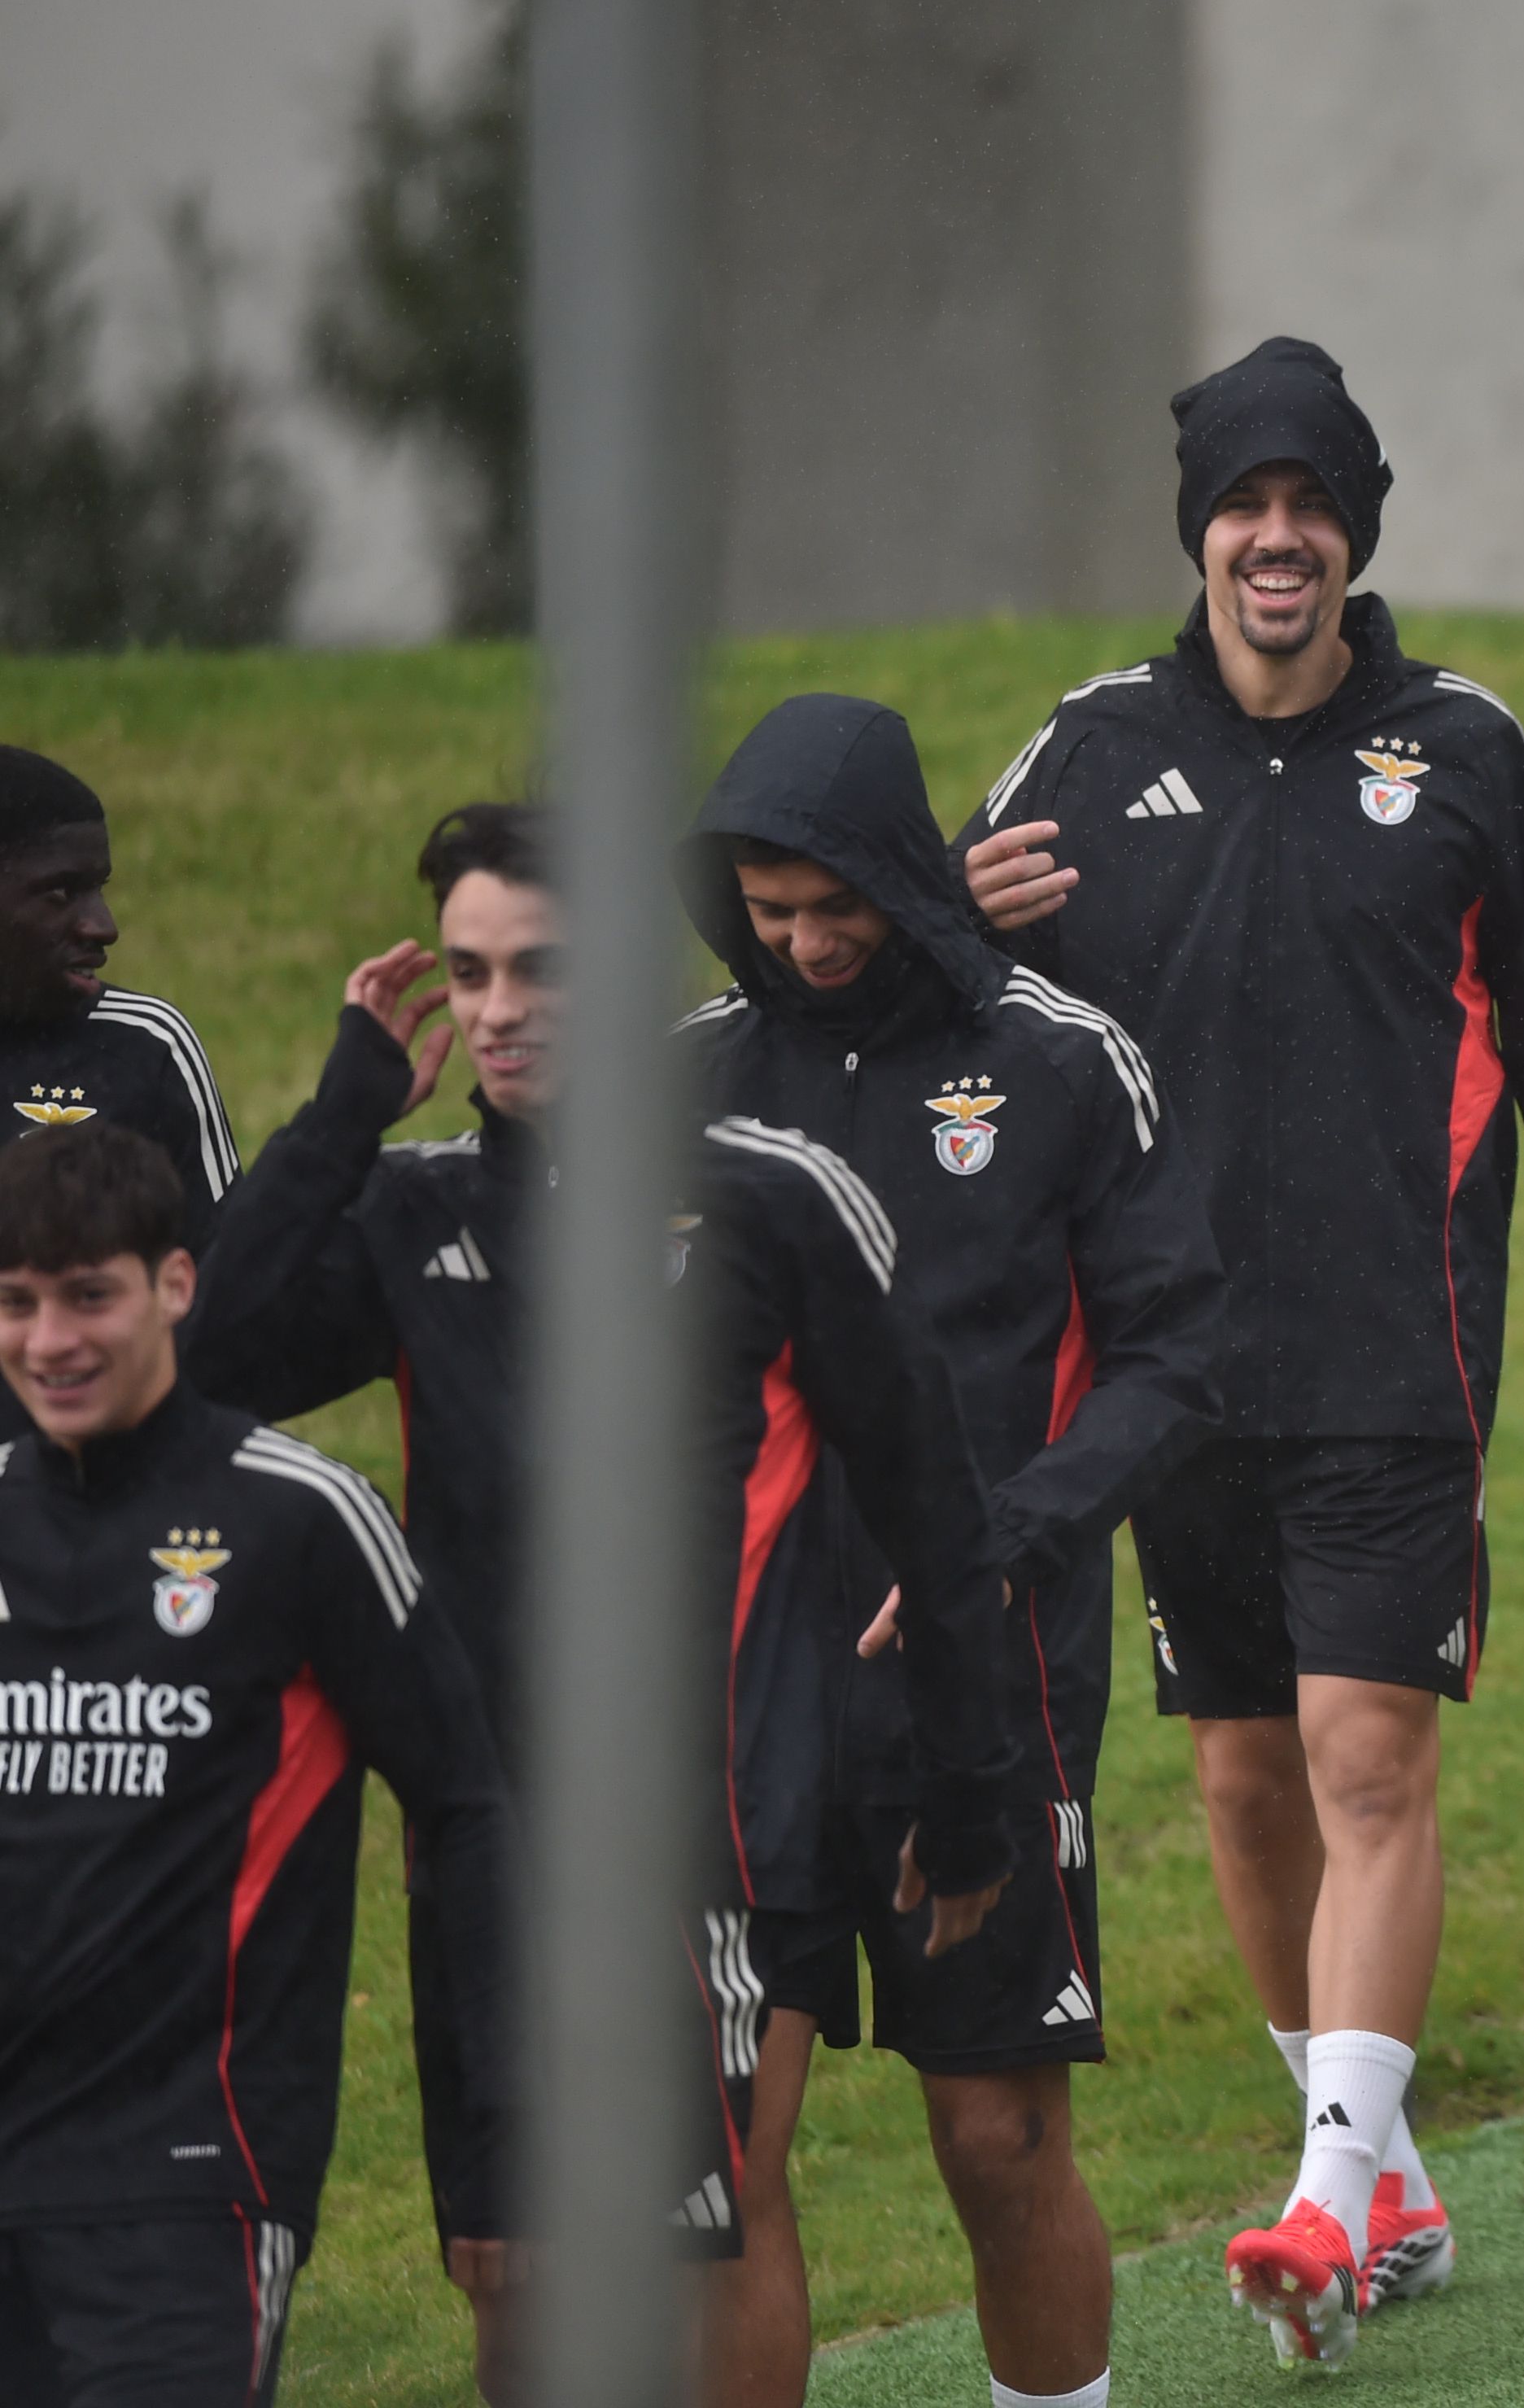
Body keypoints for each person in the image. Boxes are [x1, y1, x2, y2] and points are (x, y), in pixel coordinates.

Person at [959, 337, 1524, 2364]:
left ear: (1358, 533)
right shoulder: (1085, 754)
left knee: (1370, 1757)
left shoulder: (1464, 749)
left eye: (1314, 507)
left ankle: (1327, 2206)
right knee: (1249, 1782)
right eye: (1246, 506)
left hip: (1394, 1360)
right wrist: (949, 919)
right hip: (1164, 1380)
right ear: (1197, 530)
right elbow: (895, 997)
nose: (1280, 539)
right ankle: (1380, 2169)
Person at [184, 802, 1029, 2400]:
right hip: (486, 1837)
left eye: (544, 970)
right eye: (471, 972)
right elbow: (206, 1360)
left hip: (726, 1824)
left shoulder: (769, 1199)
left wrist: (972, 1791)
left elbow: (936, 1505)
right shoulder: (412, 1209)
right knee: (514, 2272)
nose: (501, 1009)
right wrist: (343, 1110)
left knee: (705, 2221)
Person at [678, 696, 1229, 2408]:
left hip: (983, 1679)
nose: (808, 941)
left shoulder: (1061, 1057)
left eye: (834, 900)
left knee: (993, 2130)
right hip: (737, 1695)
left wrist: (1009, 1534)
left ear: (902, 865)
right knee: (729, 2158)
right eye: (769, 909)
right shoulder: (684, 1078)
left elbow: (1177, 1357)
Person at [0, 1119, 513, 2408]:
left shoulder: (301, 1522)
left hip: (187, 2173)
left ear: (177, 1284)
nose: (48, 1341)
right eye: (14, 1303)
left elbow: (465, 1808)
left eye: (87, 1296)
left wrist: (503, 2113)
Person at [0, 747, 238, 1253]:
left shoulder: (145, 1046)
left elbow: (226, 1291)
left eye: (99, 889)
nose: (103, 928)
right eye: (62, 894)